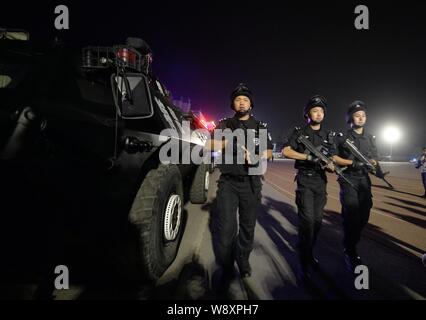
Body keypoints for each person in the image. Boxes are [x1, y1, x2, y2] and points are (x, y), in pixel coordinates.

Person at [205, 83, 273, 280]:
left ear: (251, 104)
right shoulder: (225, 124)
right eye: (237, 99)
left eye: (245, 99)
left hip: (251, 184)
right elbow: (208, 144)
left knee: (247, 226)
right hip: (228, 183)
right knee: (226, 227)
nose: (242, 103)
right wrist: (228, 141)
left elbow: (269, 151)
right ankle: (226, 264)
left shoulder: (260, 127)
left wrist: (257, 156)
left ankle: (243, 260)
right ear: (232, 104)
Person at [282, 95, 336, 279]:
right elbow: (286, 151)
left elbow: (333, 158)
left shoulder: (329, 136)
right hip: (305, 180)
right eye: (315, 110)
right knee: (307, 222)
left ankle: (307, 249)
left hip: (320, 182)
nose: (319, 114)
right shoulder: (299, 133)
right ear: (307, 113)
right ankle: (304, 261)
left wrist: (332, 165)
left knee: (318, 222)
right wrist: (308, 157)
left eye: (321, 111)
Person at [333, 101, 379, 271]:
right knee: (351, 214)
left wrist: (372, 163)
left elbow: (374, 157)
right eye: (357, 115)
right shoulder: (342, 138)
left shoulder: (371, 137)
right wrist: (353, 163)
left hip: (364, 181)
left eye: (363, 115)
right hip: (348, 179)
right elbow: (334, 158)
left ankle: (349, 241)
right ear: (350, 118)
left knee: (364, 215)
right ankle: (350, 250)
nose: (361, 118)